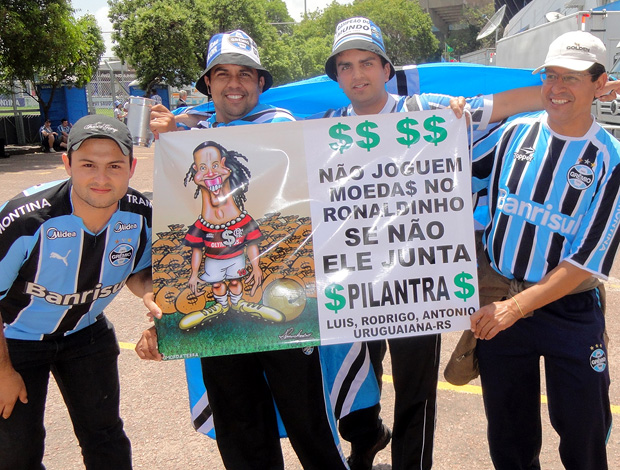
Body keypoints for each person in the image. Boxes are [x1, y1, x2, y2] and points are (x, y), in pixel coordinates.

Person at [317, 16, 579, 470]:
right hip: (354, 280)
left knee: (416, 389)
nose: (357, 74)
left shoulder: (428, 109)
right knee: (358, 377)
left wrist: (568, 92)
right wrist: (183, 123)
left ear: (385, 69)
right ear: (337, 76)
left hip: (419, 278)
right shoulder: (326, 125)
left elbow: (497, 106)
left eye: (366, 62)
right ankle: (364, 441)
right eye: (345, 66)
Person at [140, 30, 349, 470]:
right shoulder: (187, 143)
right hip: (223, 297)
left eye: (244, 74)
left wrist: (182, 124)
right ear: (209, 84)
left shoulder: (281, 126)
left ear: (259, 83)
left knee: (309, 423)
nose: (234, 83)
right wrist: (181, 127)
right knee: (239, 427)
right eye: (223, 74)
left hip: (284, 296)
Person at [470, 31, 620, 470]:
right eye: (550, 76)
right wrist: (454, 117)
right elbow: (444, 172)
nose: (556, 88)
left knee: (584, 432)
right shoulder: (512, 134)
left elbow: (585, 261)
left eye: (571, 78)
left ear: (599, 82)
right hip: (499, 299)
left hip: (569, 312)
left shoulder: (611, 159)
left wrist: (515, 308)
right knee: (509, 436)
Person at [0, 114, 157, 470]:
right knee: (16, 452)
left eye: (114, 165)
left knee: (105, 438)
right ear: (67, 163)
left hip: (85, 334)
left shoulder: (141, 214)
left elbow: (140, 271)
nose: (102, 178)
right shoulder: (25, 219)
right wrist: (2, 372)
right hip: (14, 340)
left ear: (132, 167)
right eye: (88, 164)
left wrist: (149, 293)